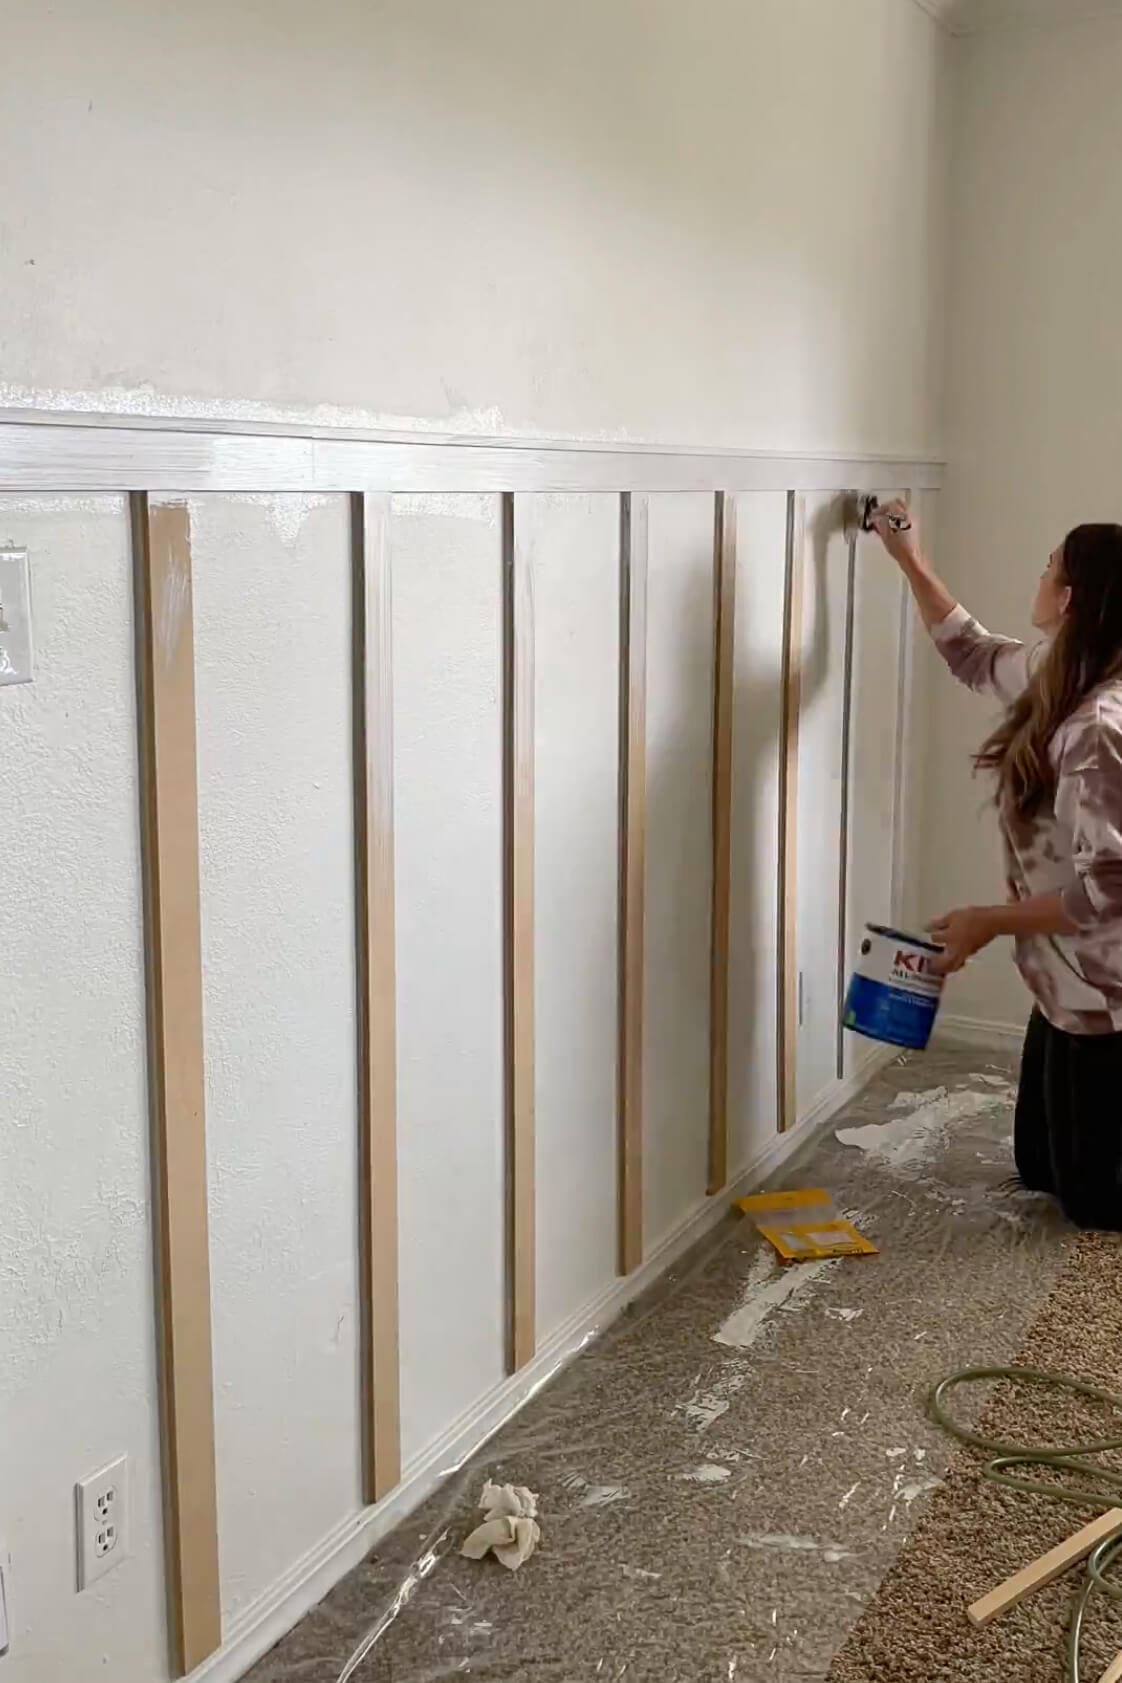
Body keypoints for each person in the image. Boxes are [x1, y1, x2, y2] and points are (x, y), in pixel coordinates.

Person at [869, 501, 1122, 1230]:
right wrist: (910, 560)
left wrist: (988, 921)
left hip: (1108, 989)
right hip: (1063, 979)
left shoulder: (1096, 729)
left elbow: (1107, 891)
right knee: (1038, 1167)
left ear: (1070, 598)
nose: (1039, 573)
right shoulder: (1060, 671)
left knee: (1095, 1206)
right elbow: (972, 653)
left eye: (1050, 565)